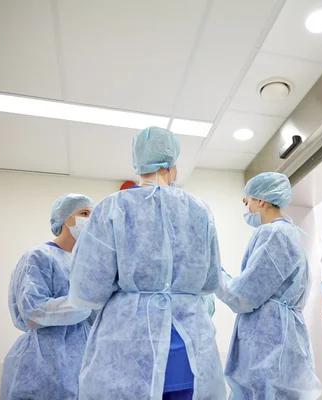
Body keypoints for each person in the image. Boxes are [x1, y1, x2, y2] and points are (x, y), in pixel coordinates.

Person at [68, 126, 225, 400]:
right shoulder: (199, 210)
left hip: (129, 356)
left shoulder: (112, 208)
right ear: (172, 166)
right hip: (189, 354)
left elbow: (88, 291)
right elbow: (210, 282)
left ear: (138, 162)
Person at [217, 172, 322, 400]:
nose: (246, 209)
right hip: (283, 336)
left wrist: (215, 275)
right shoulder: (289, 233)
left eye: (247, 202)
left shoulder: (273, 233)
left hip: (269, 339)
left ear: (260, 200)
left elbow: (244, 295)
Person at [0, 194, 95, 400]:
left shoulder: (84, 263)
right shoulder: (39, 256)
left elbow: (95, 317)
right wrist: (83, 304)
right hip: (44, 359)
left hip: (84, 359)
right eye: (84, 213)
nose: (90, 220)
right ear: (64, 218)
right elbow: (33, 312)